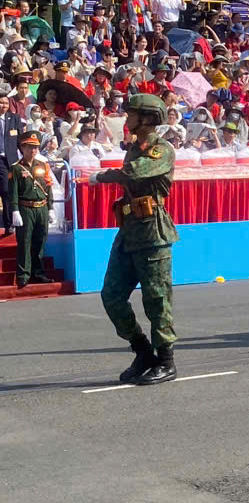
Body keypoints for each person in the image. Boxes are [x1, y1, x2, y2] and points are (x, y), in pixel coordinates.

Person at [89, 94, 179, 385]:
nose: (127, 119)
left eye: (132, 114)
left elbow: (135, 173)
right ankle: (142, 351)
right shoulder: (133, 148)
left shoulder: (161, 149)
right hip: (129, 231)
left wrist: (102, 176)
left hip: (152, 232)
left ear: (147, 118)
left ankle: (165, 360)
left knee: (156, 299)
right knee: (111, 295)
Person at [9, 131, 52, 288]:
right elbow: (13, 191)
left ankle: (38, 273)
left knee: (40, 241)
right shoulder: (16, 168)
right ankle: (23, 275)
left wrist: (51, 208)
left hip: (42, 207)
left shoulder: (42, 165)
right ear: (22, 148)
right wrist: (15, 210)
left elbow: (48, 187)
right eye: (29, 147)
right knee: (25, 242)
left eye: (35, 147)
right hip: (26, 208)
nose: (33, 150)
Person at [0, 92, 21, 235]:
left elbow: (19, 140)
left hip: (10, 160)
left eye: (6, 103)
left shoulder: (14, 118)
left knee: (8, 191)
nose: (4, 106)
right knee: (4, 190)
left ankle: (9, 224)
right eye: (1, 103)